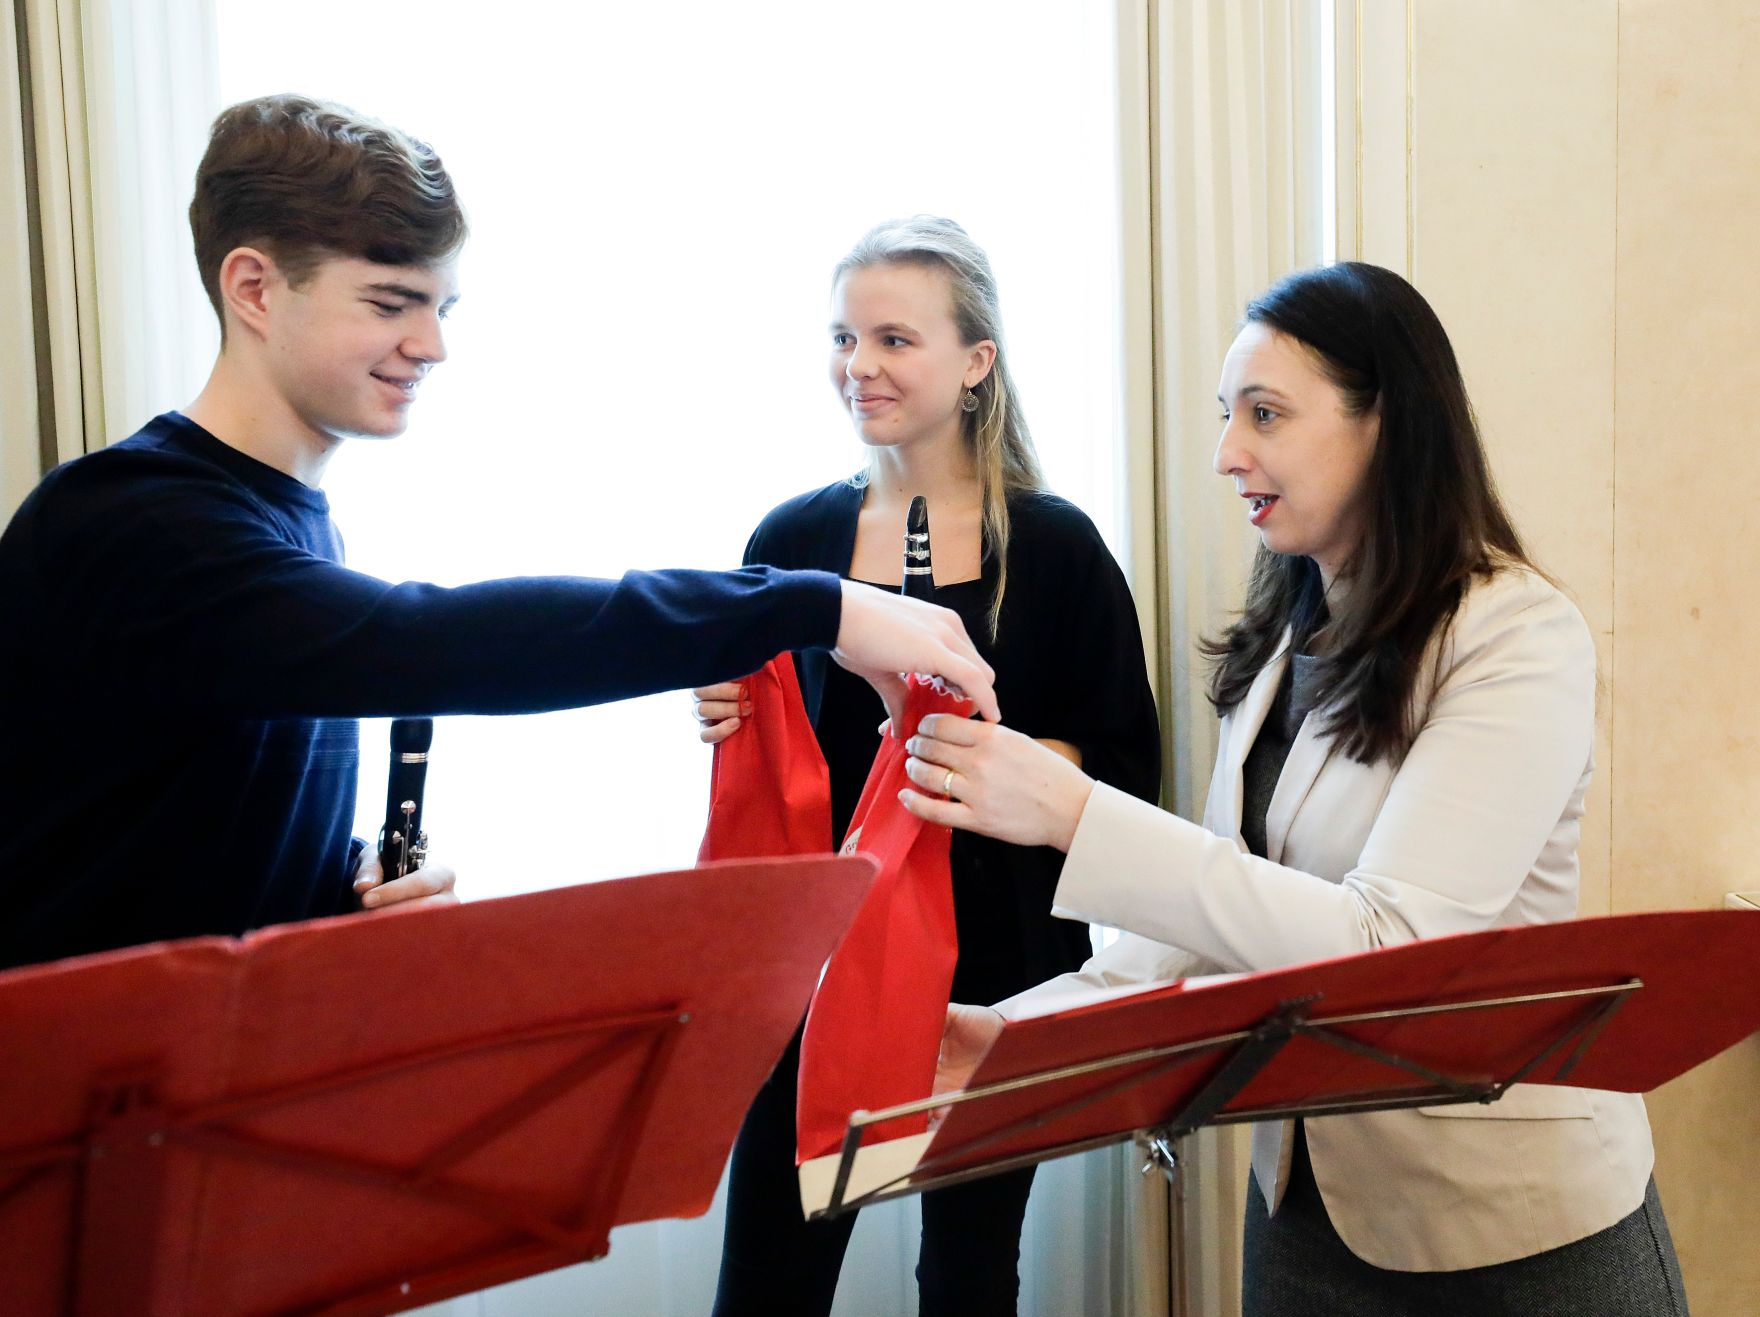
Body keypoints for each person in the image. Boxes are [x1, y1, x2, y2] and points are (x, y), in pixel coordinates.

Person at [0, 96, 999, 974]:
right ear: (255, 289)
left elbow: (171, 834)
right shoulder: (136, 522)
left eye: (441, 306)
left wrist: (341, 885)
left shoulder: (284, 526)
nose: (432, 344)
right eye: (391, 303)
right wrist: (816, 603)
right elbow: (433, 641)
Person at [906, 263, 1686, 1314]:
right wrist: (1018, 1038)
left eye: (1265, 414)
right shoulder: (1287, 635)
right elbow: (1204, 922)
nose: (1226, 453)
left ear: (1385, 424)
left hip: (1511, 1219)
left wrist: (1076, 814)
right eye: (1226, 414)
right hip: (1304, 1205)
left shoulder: (1516, 635)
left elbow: (1390, 950)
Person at [692, 216, 1160, 1316]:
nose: (858, 366)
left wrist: (990, 761)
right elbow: (774, 755)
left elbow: (1125, 765)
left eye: (893, 339)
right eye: (843, 338)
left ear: (975, 362)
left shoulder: (1057, 547)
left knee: (967, 1277)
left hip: (999, 963)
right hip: (818, 963)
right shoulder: (786, 541)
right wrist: (723, 705)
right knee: (767, 1277)